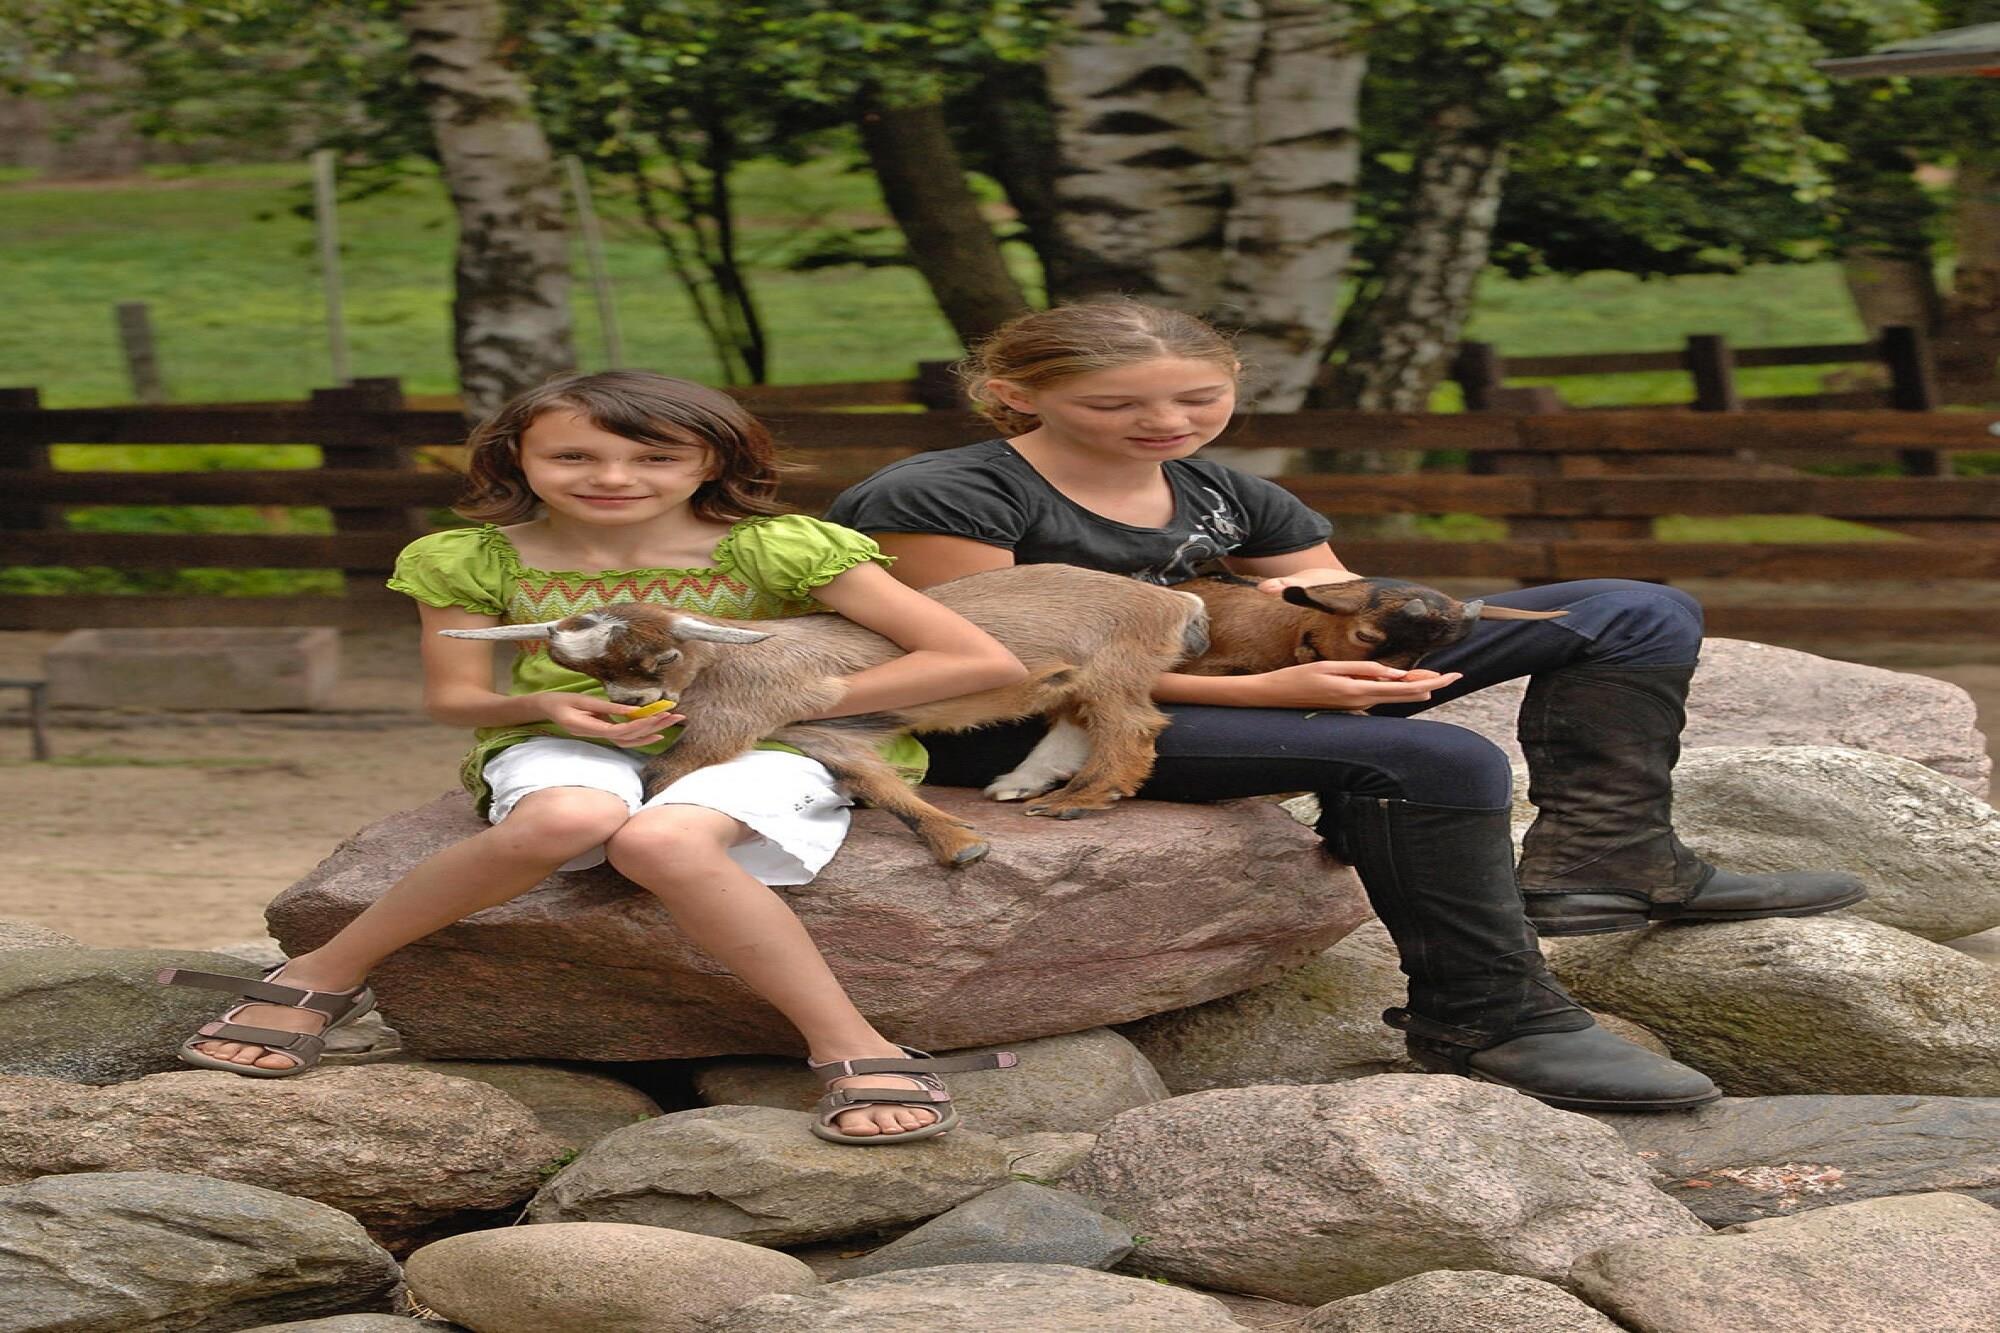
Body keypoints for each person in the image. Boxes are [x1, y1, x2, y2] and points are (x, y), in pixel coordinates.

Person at [825, 300, 1868, 1112]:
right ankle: (1486, 1016)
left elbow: (1332, 601)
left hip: (1237, 686)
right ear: (1015, 395)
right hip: (1020, 725)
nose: (1166, 423)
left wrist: (1359, 667)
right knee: (1441, 763)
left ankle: (1606, 860)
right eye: (1119, 406)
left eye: (1197, 398)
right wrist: (1278, 693)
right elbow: (981, 668)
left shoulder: (1221, 490)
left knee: (1629, 609)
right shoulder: (946, 495)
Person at [161, 370, 1027, 1145]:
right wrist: (542, 705)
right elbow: (454, 699)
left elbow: (976, 659)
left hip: (776, 740)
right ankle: (323, 970)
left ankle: (851, 1040)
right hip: (568, 736)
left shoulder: (780, 546)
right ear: (516, 456)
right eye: (574, 455)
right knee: (570, 817)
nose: (613, 477)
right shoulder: (470, 557)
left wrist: (784, 700)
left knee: (663, 842)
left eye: (654, 458)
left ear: (713, 462)